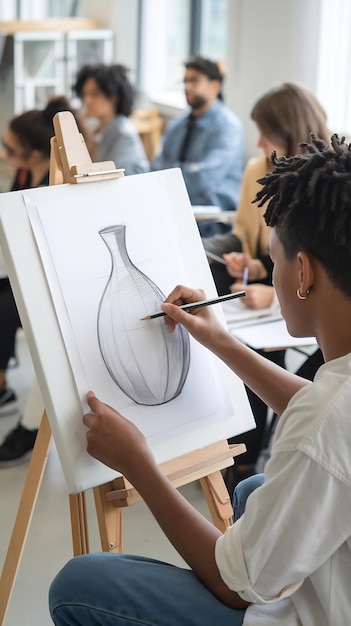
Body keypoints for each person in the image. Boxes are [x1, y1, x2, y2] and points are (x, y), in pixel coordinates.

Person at [49, 134, 351, 625]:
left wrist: (140, 464)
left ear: (304, 273)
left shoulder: (329, 418)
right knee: (254, 492)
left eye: (273, 261)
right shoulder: (335, 399)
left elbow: (236, 588)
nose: (270, 277)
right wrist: (225, 342)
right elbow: (323, 412)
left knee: (78, 585)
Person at [203, 82, 328, 489]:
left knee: (283, 373)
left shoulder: (329, 187)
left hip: (305, 300)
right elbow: (252, 242)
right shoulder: (257, 171)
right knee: (258, 355)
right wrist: (248, 262)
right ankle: (243, 457)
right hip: (278, 285)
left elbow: (324, 270)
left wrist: (275, 295)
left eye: (264, 132)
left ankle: (249, 460)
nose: (257, 142)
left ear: (289, 130)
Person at [0, 96, 89, 466]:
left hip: (60, 284)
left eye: (9, 147)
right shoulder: (24, 174)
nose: (3, 152)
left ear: (37, 154)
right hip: (24, 269)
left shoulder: (58, 188)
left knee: (15, 313)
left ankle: (28, 424)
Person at [151, 56, 244, 235]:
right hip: (174, 210)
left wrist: (170, 173)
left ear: (215, 86)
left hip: (212, 221)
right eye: (185, 81)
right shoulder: (177, 125)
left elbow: (202, 178)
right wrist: (182, 171)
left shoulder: (227, 127)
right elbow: (156, 168)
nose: (187, 87)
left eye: (194, 81)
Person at [73, 63, 149, 176]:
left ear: (114, 97)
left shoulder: (123, 133)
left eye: (95, 94)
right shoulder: (100, 130)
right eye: (85, 94)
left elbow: (111, 178)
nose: (87, 101)